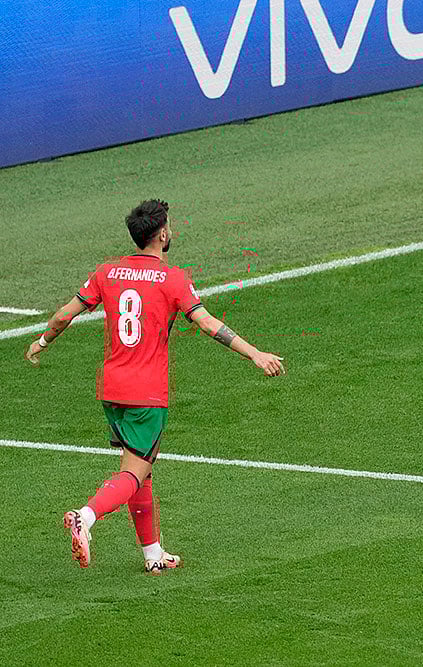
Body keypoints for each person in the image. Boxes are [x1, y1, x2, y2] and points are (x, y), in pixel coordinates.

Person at [25, 200, 286, 572]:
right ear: (162, 233)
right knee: (133, 473)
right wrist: (254, 353)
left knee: (141, 470)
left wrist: (42, 343)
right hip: (146, 394)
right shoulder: (173, 279)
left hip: (111, 391)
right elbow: (209, 324)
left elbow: (65, 314)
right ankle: (86, 515)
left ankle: (152, 555)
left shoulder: (107, 271)